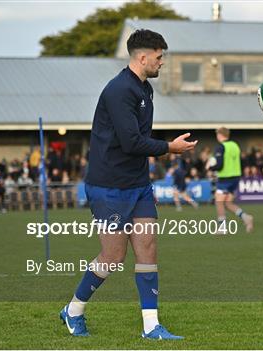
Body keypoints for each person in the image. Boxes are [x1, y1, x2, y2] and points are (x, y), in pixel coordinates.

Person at [60, 29, 197, 340]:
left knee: (148, 249)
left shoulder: (144, 89)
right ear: (143, 57)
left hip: (138, 184)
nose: (163, 63)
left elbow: (138, 141)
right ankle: (73, 310)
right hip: (109, 186)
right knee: (113, 257)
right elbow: (132, 141)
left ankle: (151, 327)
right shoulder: (120, 90)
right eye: (160, 57)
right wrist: (169, 148)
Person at [207, 127, 253, 233]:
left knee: (218, 201)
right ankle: (246, 217)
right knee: (227, 203)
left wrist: (210, 167)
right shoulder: (235, 145)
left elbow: (219, 165)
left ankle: (222, 227)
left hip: (225, 178)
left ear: (219, 135)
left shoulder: (221, 147)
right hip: (236, 177)